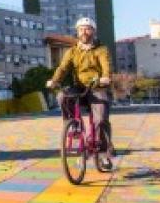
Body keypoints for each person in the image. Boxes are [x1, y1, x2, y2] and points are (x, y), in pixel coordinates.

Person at [47, 17, 115, 161]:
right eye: (81, 29)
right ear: (77, 32)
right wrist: (54, 81)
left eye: (88, 29)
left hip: (98, 87)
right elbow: (63, 68)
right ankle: (73, 124)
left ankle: (103, 152)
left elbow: (106, 66)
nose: (84, 32)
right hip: (79, 87)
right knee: (62, 96)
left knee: (100, 119)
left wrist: (105, 77)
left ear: (93, 32)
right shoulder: (72, 51)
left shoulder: (101, 49)